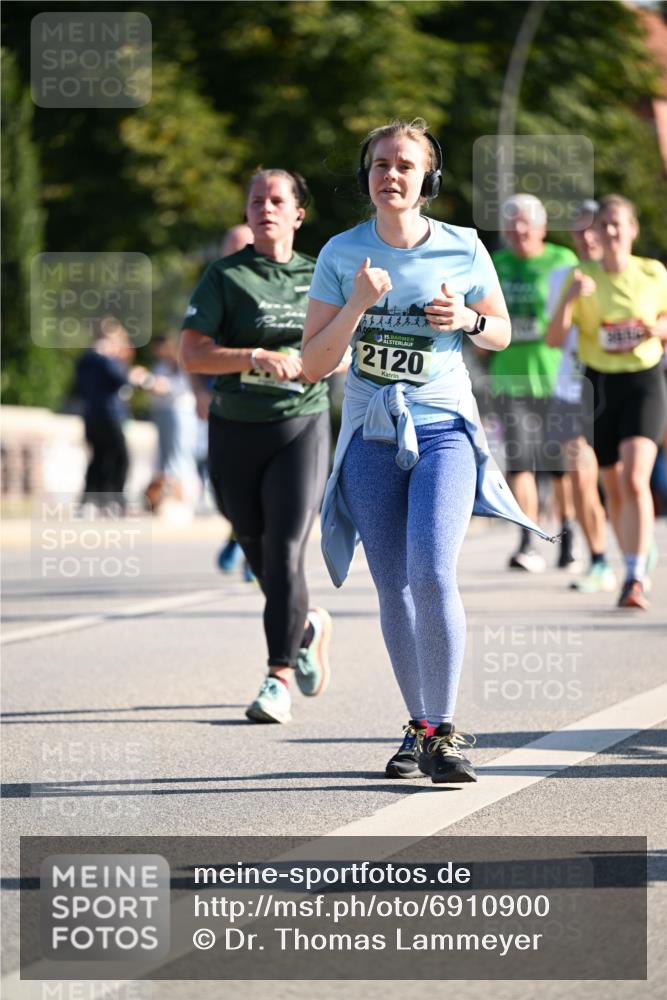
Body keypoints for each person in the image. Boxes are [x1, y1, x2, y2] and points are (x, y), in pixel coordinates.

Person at [301, 119, 553, 784]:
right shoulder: (339, 253)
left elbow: (498, 331)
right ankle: (416, 727)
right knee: (391, 584)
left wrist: (466, 321)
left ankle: (444, 733)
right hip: (369, 434)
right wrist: (357, 303)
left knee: (432, 570)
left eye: (405, 165)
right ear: (367, 177)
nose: (391, 174)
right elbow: (313, 362)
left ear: (426, 180)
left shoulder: (462, 247)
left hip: (443, 428)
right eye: (380, 163)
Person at [179, 169, 333, 723]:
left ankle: (277, 679)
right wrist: (253, 357)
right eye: (255, 200)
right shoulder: (225, 276)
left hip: (300, 424)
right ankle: (307, 622)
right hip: (234, 427)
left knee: (286, 548)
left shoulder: (321, 274)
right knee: (255, 547)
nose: (265, 208)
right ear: (246, 213)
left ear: (298, 213)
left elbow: (343, 345)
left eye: (277, 200)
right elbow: (193, 354)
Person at [548, 194, 667, 608]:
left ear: (633, 229)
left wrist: (658, 327)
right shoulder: (580, 275)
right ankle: (632, 552)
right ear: (595, 233)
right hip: (598, 387)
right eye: (604, 225)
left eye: (619, 223)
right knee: (613, 488)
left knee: (636, 478)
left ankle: (633, 577)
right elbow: (554, 338)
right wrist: (570, 298)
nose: (611, 231)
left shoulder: (653, 273)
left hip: (644, 381)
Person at [489, 195, 579, 573]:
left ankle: (568, 534)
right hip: (509, 378)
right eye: (511, 224)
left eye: (526, 223)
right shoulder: (497, 264)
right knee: (520, 461)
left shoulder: (562, 261)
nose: (518, 230)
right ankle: (528, 539)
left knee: (558, 465)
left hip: (555, 378)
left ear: (542, 227)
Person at [545, 201, 617, 594]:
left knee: (620, 483)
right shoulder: (561, 276)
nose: (587, 238)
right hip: (571, 390)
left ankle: (637, 547)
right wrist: (570, 298)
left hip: (615, 387)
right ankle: (600, 560)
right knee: (579, 474)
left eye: (594, 229)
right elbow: (553, 339)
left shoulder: (628, 274)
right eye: (579, 232)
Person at [75, 317, 146, 512]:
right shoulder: (104, 359)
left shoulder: (86, 359)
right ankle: (112, 500)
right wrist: (136, 375)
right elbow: (121, 379)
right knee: (119, 459)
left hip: (91, 416)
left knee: (98, 458)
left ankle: (91, 501)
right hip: (109, 416)